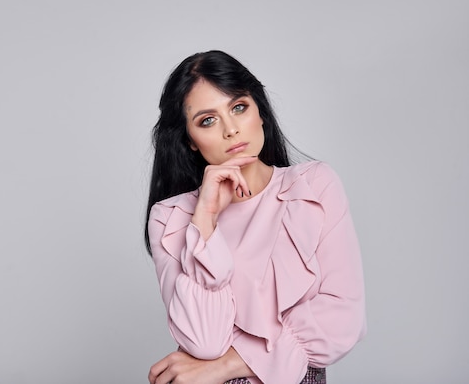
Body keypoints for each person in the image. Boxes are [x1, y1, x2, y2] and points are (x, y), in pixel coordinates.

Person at [144, 50, 366, 384]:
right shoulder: (170, 218)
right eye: (207, 120)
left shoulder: (313, 186)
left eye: (238, 107)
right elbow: (205, 342)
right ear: (190, 140)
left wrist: (226, 365)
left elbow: (343, 317)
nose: (231, 130)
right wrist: (205, 218)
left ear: (259, 110)